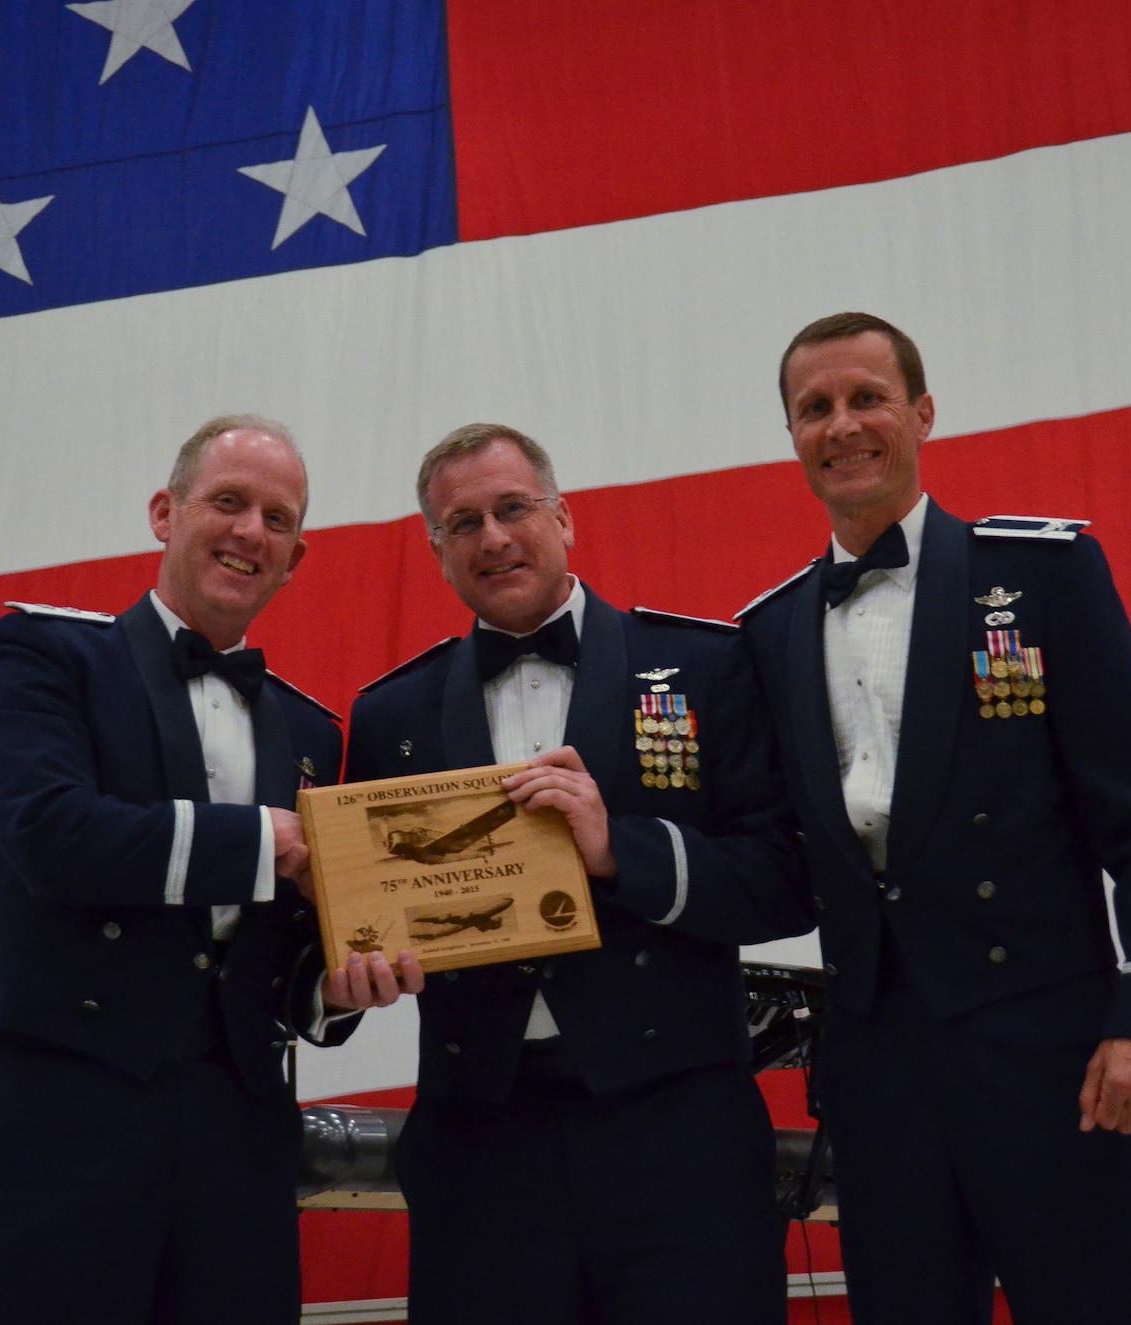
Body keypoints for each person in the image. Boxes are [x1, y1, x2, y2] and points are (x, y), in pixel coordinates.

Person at [739, 314, 1131, 1323]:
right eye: (812, 407)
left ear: (920, 411)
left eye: (865, 396)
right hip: (877, 1077)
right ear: (789, 435)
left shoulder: (1041, 574)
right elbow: (775, 854)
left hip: (1056, 1055)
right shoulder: (765, 630)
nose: (842, 424)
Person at [345, 423, 812, 1325]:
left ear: (565, 518)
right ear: (436, 551)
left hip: (677, 1129)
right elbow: (368, 911)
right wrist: (356, 968)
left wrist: (616, 852)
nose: (493, 537)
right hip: (481, 1138)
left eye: (513, 508)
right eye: (463, 522)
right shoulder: (388, 714)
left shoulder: (706, 668)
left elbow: (786, 877)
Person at [0, 414, 423, 1325]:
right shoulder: (46, 653)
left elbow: (281, 947)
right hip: (68, 1112)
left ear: (297, 557)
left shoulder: (308, 727)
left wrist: (337, 988)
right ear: (163, 514)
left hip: (239, 1128)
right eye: (228, 501)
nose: (252, 530)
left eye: (277, 518)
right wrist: (264, 843)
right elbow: (48, 836)